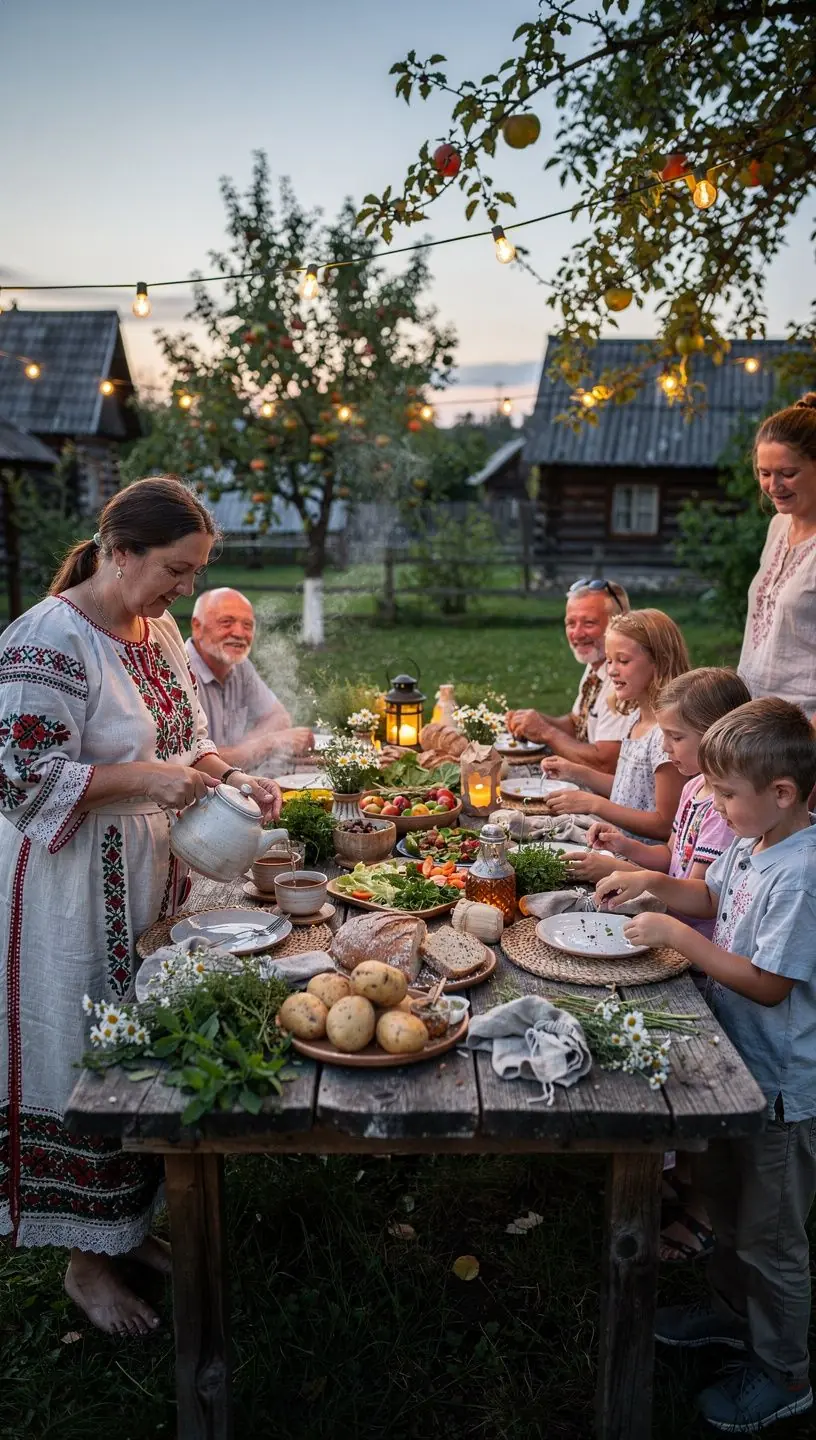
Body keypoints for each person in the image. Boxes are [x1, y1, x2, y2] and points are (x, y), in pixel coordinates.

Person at [0, 477, 281, 1339]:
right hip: (70, 885)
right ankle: (86, 1264)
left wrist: (232, 776)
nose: (184, 591)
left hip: (151, 871)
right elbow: (21, 779)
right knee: (84, 1048)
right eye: (174, 569)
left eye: (195, 572)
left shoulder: (154, 631)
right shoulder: (45, 641)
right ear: (119, 552)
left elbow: (185, 734)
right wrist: (151, 782)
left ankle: (125, 1228)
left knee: (144, 1041)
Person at [596, 698, 816, 1433]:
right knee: (725, 1206)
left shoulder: (802, 873)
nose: (713, 805)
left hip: (785, 1090)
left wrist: (674, 937)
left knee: (770, 1235)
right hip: (741, 1069)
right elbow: (710, 893)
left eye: (725, 794)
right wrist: (651, 884)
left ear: (781, 794)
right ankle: (731, 1318)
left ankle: (785, 1373)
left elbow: (767, 982)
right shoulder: (754, 844)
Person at [575, 666, 749, 1267]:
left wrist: (645, 881)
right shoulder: (701, 789)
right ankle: (673, 1176)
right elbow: (675, 860)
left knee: (699, 1080)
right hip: (679, 942)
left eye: (675, 738)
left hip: (702, 956)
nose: (666, 749)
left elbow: (703, 896)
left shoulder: (727, 805)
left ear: (717, 734)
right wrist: (624, 849)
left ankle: (703, 1209)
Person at [540, 609, 689, 842]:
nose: (611, 670)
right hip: (615, 841)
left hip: (641, 860)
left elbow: (663, 824)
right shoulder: (635, 717)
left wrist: (594, 804)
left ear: (660, 661)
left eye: (623, 660)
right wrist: (577, 772)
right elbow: (629, 791)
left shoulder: (667, 736)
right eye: (609, 660)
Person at [505, 578, 632, 774]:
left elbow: (606, 764)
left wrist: (546, 732)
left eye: (589, 623)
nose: (577, 634)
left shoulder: (623, 678)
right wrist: (535, 721)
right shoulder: (596, 664)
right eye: (570, 623)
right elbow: (577, 724)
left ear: (618, 622)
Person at [739, 392, 816, 713]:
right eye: (764, 473)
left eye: (787, 473)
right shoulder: (778, 526)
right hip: (754, 720)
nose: (773, 486)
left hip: (803, 729)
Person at [186, 587, 313, 768]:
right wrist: (263, 745)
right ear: (197, 627)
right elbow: (191, 762)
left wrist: (242, 750)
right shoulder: (178, 671)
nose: (239, 633)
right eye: (226, 622)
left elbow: (278, 717)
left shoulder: (239, 666)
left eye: (248, 625)